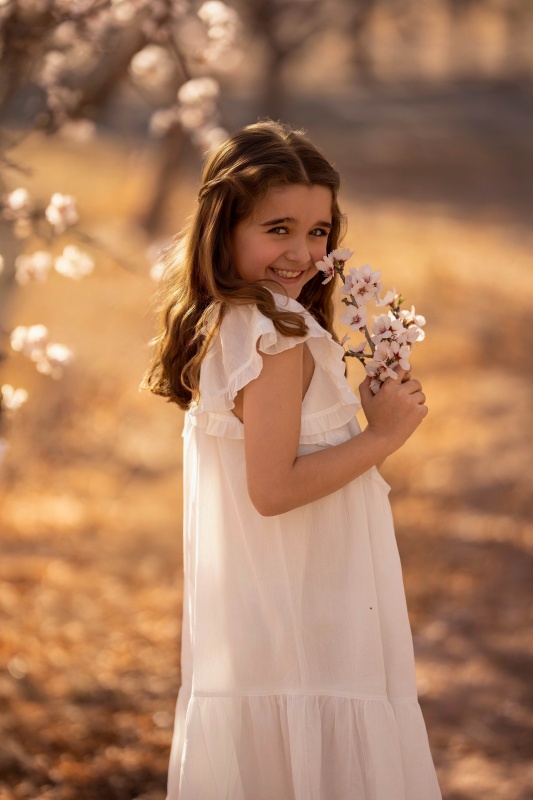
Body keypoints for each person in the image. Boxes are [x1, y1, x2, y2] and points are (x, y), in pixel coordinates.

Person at [142, 120, 442, 800]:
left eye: (318, 231)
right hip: (306, 618)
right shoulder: (272, 334)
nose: (302, 251)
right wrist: (380, 436)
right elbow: (272, 490)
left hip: (273, 614)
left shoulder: (240, 320)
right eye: (276, 229)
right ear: (224, 229)